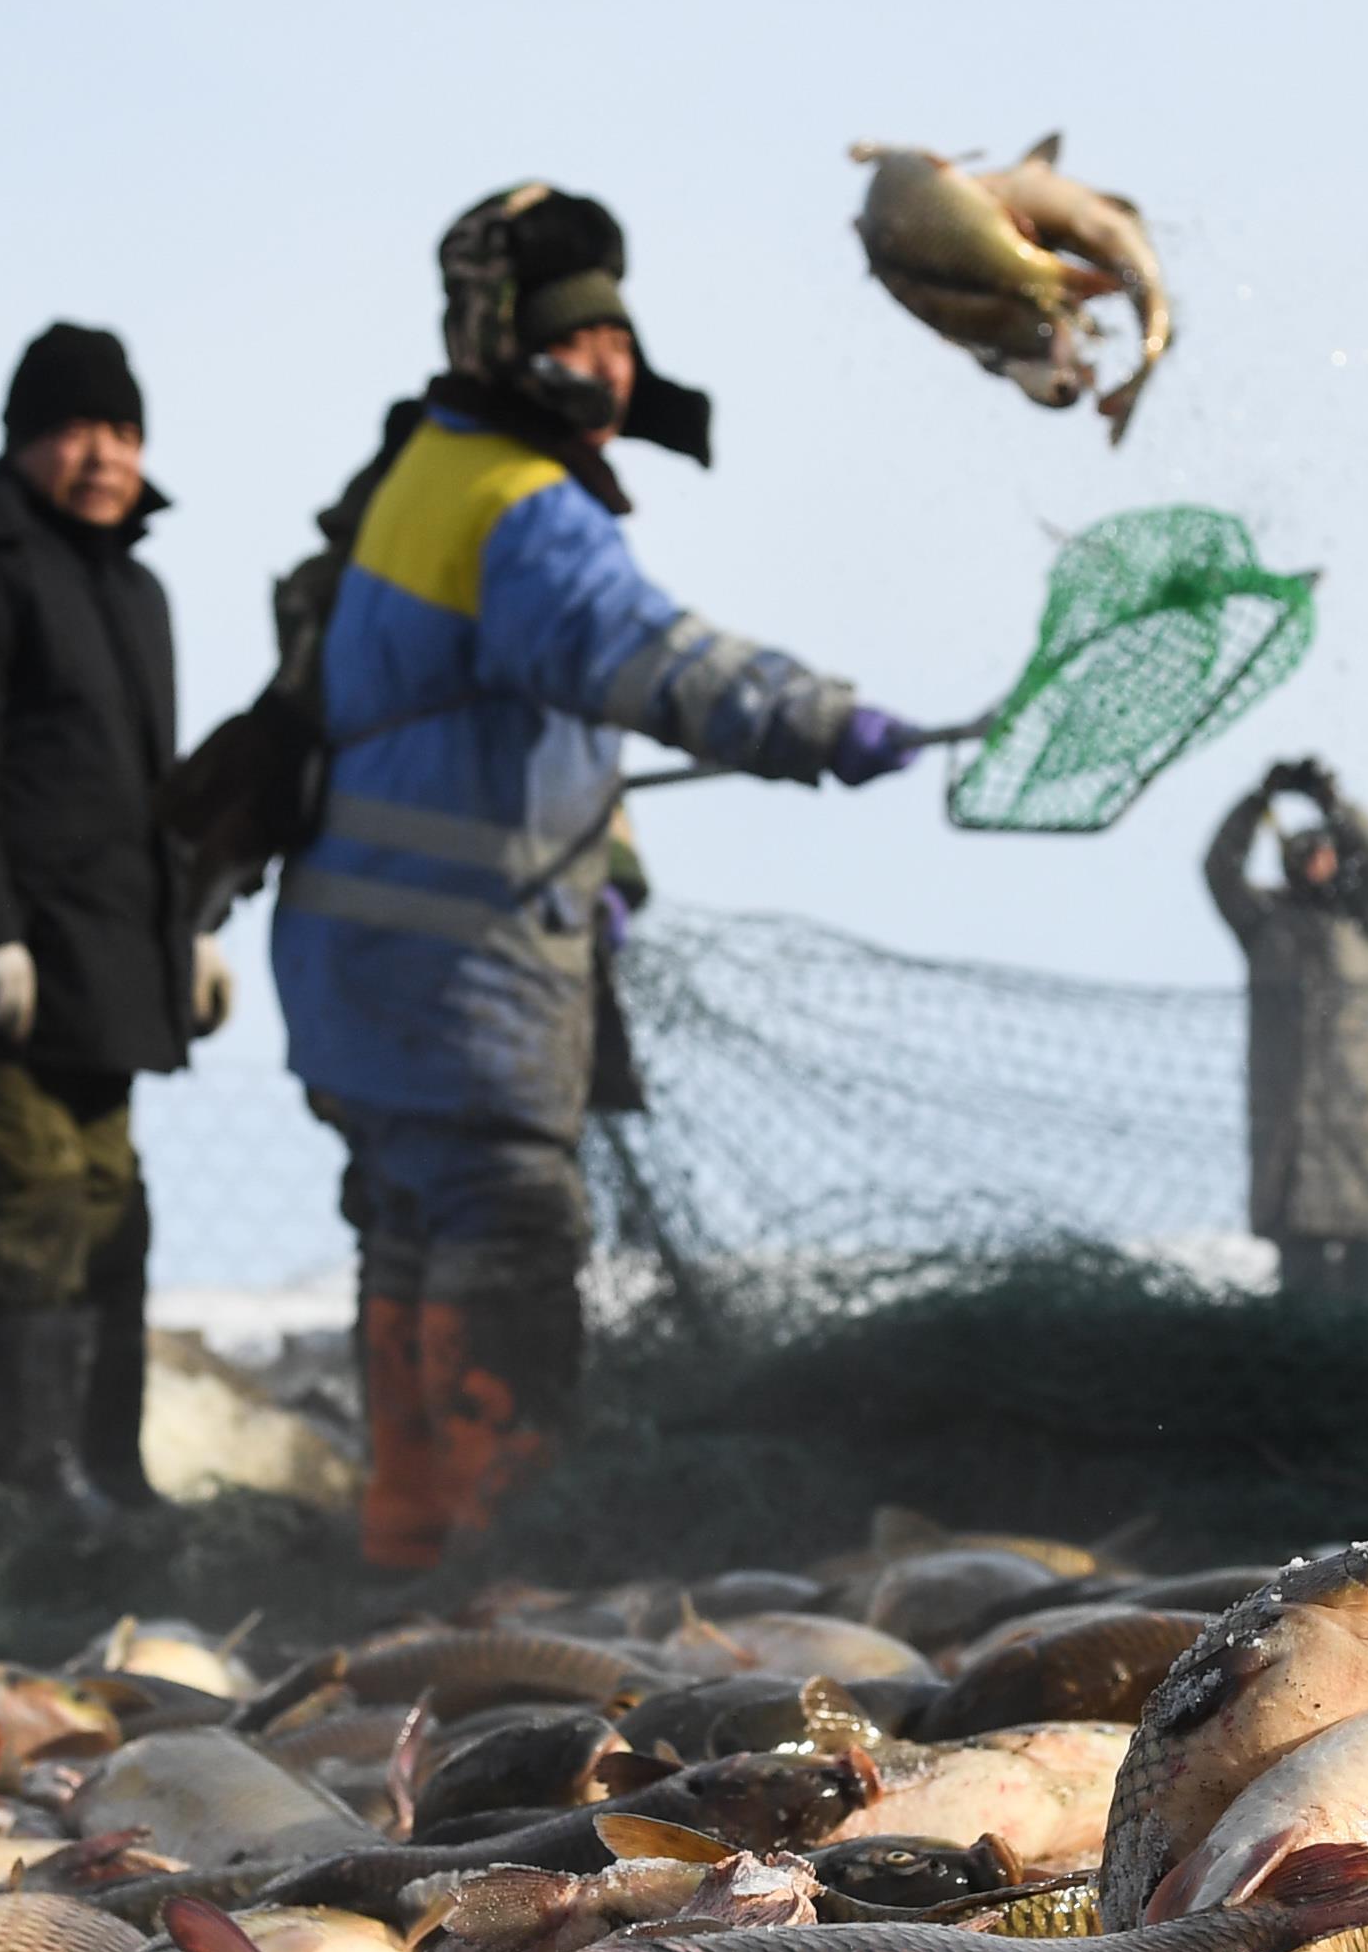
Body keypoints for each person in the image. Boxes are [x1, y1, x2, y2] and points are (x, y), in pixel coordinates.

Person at [273, 183, 923, 1576]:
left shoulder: (420, 477)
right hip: (459, 967)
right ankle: (506, 1554)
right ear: (514, 342)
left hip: (358, 966)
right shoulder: (519, 501)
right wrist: (811, 717)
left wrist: (605, 861)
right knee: (509, 1225)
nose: (614, 367)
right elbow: (634, 654)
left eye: (625, 340)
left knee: (404, 1226)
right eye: (584, 336)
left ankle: (407, 1547)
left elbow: (490, 719)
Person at [0, 323, 231, 1515]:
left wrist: (196, 929)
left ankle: (110, 1483)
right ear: (23, 439)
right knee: (25, 1211)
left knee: (111, 1224)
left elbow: (153, 790)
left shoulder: (132, 586)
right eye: (74, 429)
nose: (102, 454)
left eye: (122, 431)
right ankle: (41, 1493)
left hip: (105, 976)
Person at [1204, 756, 1368, 1291]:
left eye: (1323, 851)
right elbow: (1220, 868)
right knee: (1302, 1279)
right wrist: (1257, 803)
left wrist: (1337, 807)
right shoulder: (1263, 924)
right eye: (1303, 853)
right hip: (1288, 1132)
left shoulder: (1366, 924)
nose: (1314, 862)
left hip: (1360, 1127)